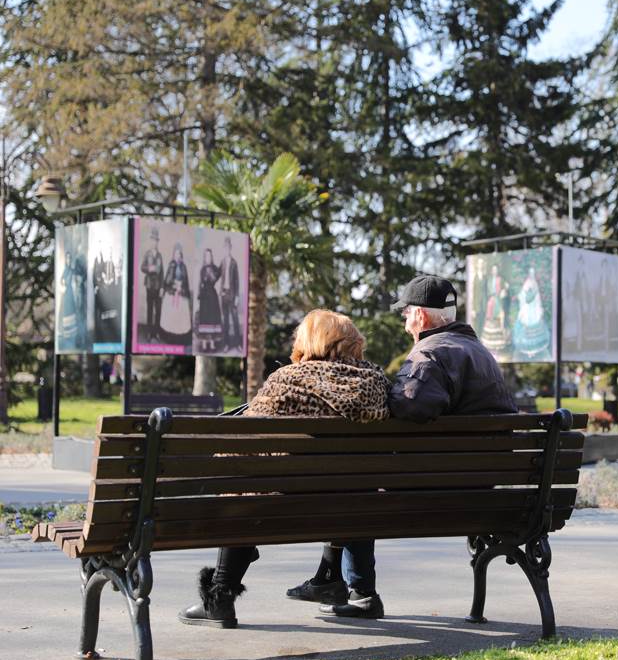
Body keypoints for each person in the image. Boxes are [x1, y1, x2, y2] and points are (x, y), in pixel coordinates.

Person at [298, 274, 517, 620]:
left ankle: (359, 590)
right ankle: (345, 585)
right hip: (482, 489)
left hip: (436, 491)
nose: (403, 321)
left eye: (406, 313)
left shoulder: (431, 354)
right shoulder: (480, 352)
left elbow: (408, 407)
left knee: (355, 478)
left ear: (422, 316)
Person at [178, 309, 392, 628]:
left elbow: (241, 447)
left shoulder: (287, 380)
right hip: (355, 503)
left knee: (241, 486)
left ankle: (221, 596)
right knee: (353, 487)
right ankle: (358, 590)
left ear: (309, 341)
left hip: (285, 506)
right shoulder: (376, 383)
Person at [160, 243, 192, 342]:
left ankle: (179, 337)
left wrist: (181, 287)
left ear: (181, 255)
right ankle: (169, 336)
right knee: (170, 314)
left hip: (181, 292)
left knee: (180, 315)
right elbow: (167, 279)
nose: (177, 256)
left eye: (179, 254)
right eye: (175, 254)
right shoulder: (171, 265)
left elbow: (186, 280)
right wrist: (172, 285)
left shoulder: (183, 266)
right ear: (173, 255)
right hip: (172, 292)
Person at [196, 249, 222, 353]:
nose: (208, 258)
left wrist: (211, 273)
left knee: (212, 319)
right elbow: (201, 282)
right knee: (204, 319)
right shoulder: (202, 269)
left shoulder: (214, 268)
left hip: (212, 295)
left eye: (210, 256)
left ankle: (211, 343)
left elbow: (214, 279)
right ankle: (204, 343)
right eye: (206, 256)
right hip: (204, 296)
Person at [140, 228, 164, 341]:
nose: (154, 242)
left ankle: (156, 333)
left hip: (158, 286)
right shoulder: (147, 254)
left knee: (158, 311)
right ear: (151, 241)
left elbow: (162, 273)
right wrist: (150, 268)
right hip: (149, 286)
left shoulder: (159, 256)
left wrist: (162, 287)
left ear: (157, 242)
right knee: (150, 310)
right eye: (152, 240)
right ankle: (149, 333)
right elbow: (142, 267)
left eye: (156, 240)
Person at [218, 236, 241, 350]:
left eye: (228, 247)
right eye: (225, 247)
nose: (226, 249)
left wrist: (237, 296)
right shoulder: (222, 262)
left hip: (232, 294)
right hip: (224, 294)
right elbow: (217, 275)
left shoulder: (234, 263)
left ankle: (238, 344)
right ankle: (226, 344)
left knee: (235, 320)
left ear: (230, 248)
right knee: (225, 321)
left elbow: (237, 280)